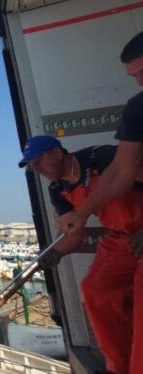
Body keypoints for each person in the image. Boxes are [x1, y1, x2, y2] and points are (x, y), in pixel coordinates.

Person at [19, 135, 143, 374]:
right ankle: (118, 367)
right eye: (32, 166)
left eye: (39, 161)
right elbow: (73, 234)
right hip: (119, 240)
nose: (37, 169)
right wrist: (54, 253)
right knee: (95, 291)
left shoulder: (104, 158)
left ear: (57, 152)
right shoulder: (58, 190)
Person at [59, 31, 143, 260]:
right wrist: (82, 214)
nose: (140, 82)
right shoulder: (137, 109)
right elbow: (120, 171)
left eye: (142, 71)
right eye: (133, 76)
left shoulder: (98, 156)